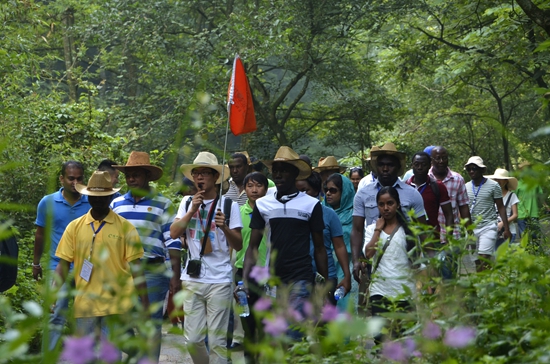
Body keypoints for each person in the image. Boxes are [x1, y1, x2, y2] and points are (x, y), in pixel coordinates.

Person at [54, 171, 149, 357]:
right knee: (84, 356)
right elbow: (63, 264)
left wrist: (145, 303)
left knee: (110, 356)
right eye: (93, 196)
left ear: (111, 195)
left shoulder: (125, 228)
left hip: (115, 305)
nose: (98, 200)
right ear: (87, 196)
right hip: (85, 304)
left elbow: (136, 268)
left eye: (103, 196)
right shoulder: (75, 227)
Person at [243, 146, 328, 340]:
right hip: (272, 280)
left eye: (284, 170)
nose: (279, 175)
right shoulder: (263, 204)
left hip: (301, 278)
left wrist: (324, 287)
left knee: (292, 333)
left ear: (295, 174)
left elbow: (320, 248)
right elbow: (253, 247)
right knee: (275, 336)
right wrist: (246, 281)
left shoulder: (311, 204)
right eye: (276, 171)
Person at [170, 151, 242, 364]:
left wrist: (225, 227)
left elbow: (238, 244)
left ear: (215, 177)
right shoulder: (186, 202)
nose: (200, 178)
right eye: (196, 173)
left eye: (205, 173)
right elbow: (174, 233)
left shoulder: (229, 205)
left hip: (220, 279)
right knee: (192, 339)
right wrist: (191, 210)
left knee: (218, 341)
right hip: (192, 278)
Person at [111, 151, 181, 362]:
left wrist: (175, 276)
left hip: (153, 270)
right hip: (123, 271)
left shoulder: (163, 204)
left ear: (147, 176)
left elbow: (173, 240)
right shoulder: (117, 204)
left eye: (136, 174)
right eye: (128, 175)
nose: (131, 179)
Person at [33, 160, 90, 351]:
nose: (75, 182)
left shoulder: (92, 201)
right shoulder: (47, 202)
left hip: (86, 268)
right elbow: (40, 233)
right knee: (55, 314)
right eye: (71, 178)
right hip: (56, 265)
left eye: (79, 178)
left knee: (85, 316)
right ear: (61, 178)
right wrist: (35, 263)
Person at [351, 143, 426, 283]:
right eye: (381, 165)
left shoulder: (412, 194)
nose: (385, 169)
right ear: (376, 167)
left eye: (390, 165)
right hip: (373, 258)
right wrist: (356, 260)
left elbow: (423, 231)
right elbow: (356, 229)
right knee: (371, 301)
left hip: (404, 259)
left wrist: (428, 264)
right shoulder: (363, 194)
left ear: (398, 168)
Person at [362, 186, 422, 342]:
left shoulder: (409, 231)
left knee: (405, 341)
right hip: (380, 292)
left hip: (405, 292)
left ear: (398, 204)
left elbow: (418, 263)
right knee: (381, 341)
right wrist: (377, 230)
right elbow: (368, 254)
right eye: (381, 204)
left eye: (390, 203)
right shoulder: (371, 229)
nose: (386, 208)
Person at [296, 171, 351, 307]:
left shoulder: (328, 214)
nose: (300, 195)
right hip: (300, 275)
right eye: (297, 191)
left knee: (324, 319)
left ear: (315, 191)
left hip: (327, 275)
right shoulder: (292, 216)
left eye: (305, 191)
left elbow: (339, 246)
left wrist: (346, 275)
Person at [235, 172, 269, 363]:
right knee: (247, 324)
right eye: (249, 186)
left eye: (258, 186)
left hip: (266, 273)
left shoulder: (271, 213)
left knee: (265, 322)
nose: (254, 190)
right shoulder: (238, 214)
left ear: (266, 188)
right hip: (242, 272)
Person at [464, 156, 511, 271]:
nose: (471, 171)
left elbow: (501, 207)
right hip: (471, 228)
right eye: (469, 169)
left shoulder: (493, 185)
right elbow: (463, 208)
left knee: (484, 257)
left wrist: (506, 228)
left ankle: (486, 284)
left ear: (482, 170)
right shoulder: (465, 187)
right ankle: (486, 284)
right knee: (477, 261)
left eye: (474, 168)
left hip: (488, 226)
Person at [406, 152, 453, 252]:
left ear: (429, 166)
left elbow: (448, 214)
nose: (420, 167)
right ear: (412, 166)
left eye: (423, 164)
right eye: (416, 164)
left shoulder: (437, 186)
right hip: (409, 239)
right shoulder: (405, 186)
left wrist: (448, 239)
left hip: (432, 239)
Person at [323, 173, 356, 312]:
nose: (328, 194)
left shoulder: (355, 215)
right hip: (324, 268)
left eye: (333, 190)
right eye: (326, 190)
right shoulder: (320, 212)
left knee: (344, 311)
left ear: (345, 193)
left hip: (347, 268)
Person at [485, 168, 519, 249]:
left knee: (503, 257)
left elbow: (515, 215)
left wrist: (502, 223)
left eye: (500, 179)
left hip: (508, 230)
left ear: (506, 181)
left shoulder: (511, 196)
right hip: (494, 231)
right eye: (496, 179)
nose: (498, 181)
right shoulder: (491, 195)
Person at [516, 162, 544, 240]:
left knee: (536, 236)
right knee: (524, 236)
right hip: (521, 214)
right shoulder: (517, 184)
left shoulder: (535, 182)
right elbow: (513, 200)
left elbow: (540, 197)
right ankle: (526, 252)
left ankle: (535, 251)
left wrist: (547, 207)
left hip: (533, 213)